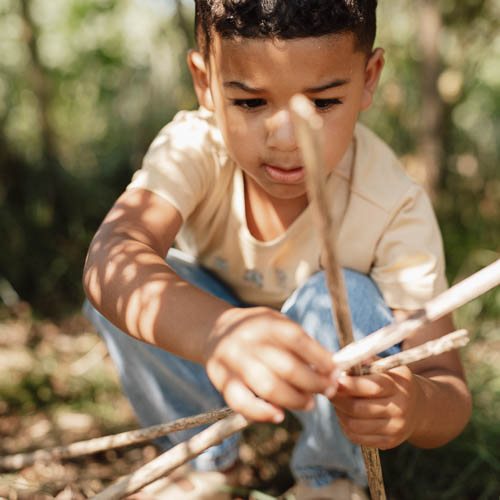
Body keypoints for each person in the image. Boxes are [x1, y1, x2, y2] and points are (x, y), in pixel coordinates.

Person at [83, 1, 472, 498]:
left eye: (323, 102)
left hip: (331, 373)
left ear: (369, 76)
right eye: (250, 103)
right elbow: (109, 257)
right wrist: (218, 331)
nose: (286, 137)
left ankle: (330, 478)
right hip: (218, 334)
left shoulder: (394, 204)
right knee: (132, 289)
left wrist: (416, 404)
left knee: (345, 294)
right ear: (205, 83)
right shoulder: (193, 147)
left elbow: (448, 389)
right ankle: (204, 462)